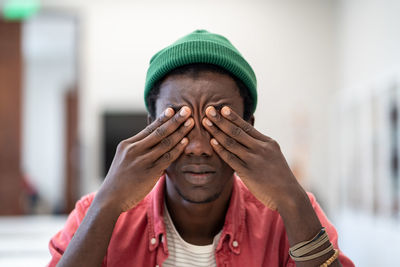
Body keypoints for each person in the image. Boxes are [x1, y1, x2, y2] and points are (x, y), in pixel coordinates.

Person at [48, 30, 354, 267]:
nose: (198, 148)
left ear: (249, 124)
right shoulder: (97, 212)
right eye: (177, 123)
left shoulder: (291, 214)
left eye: (217, 123)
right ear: (150, 125)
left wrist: (292, 200)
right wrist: (107, 205)